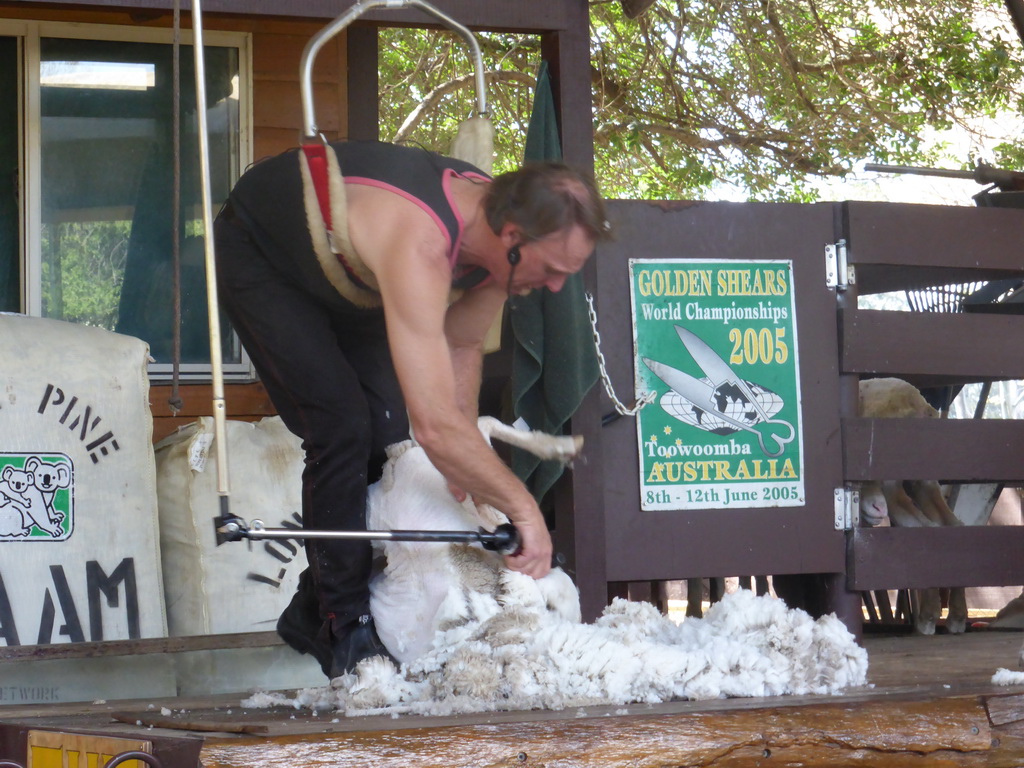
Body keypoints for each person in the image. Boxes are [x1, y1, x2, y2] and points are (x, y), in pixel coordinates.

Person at [213, 140, 609, 679]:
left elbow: (463, 345)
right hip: (264, 252)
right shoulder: (422, 242)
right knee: (342, 426)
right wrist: (524, 510)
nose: (558, 285)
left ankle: (311, 601)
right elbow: (435, 426)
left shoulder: (497, 245)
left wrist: (466, 467)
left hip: (346, 271)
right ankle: (342, 623)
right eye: (557, 268)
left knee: (388, 429)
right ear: (514, 239)